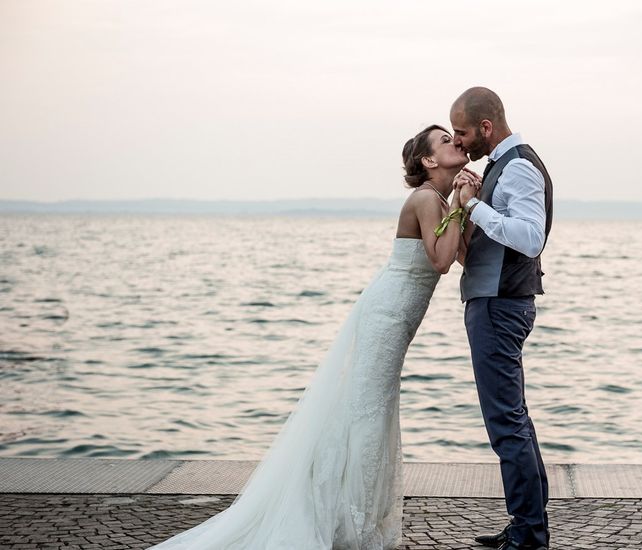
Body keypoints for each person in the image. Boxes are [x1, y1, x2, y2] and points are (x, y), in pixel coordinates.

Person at [148, 124, 474, 550]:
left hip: (395, 315)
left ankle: (353, 514)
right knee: (366, 411)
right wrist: (460, 203)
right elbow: (441, 261)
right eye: (446, 140)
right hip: (387, 314)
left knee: (373, 407)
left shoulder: (439, 199)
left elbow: (461, 253)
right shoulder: (426, 198)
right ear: (429, 161)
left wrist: (467, 205)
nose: (456, 142)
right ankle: (344, 520)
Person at [450, 87, 554, 550]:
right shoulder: (503, 167)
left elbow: (530, 239)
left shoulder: (520, 167)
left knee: (505, 422)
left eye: (463, 132)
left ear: (486, 127)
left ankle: (530, 533)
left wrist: (473, 206)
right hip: (497, 302)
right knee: (515, 418)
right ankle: (526, 523)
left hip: (499, 305)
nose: (460, 140)